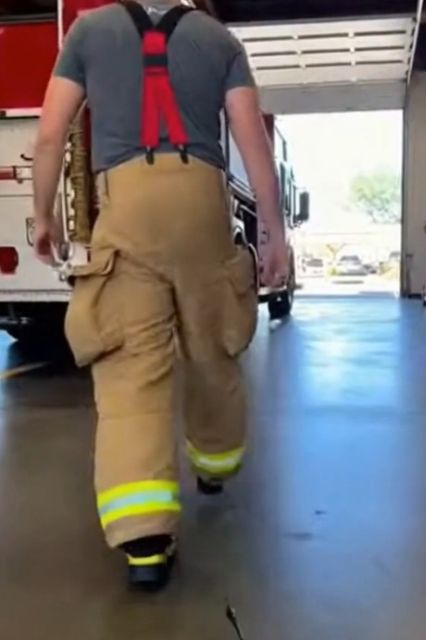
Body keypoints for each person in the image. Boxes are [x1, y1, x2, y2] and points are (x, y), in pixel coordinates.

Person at [33, 0, 288, 591]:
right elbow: (254, 146)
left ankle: (144, 542)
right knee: (211, 344)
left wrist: (45, 216)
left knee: (130, 371)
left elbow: (49, 136)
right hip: (202, 206)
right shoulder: (219, 40)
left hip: (127, 208)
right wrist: (275, 236)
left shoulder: (88, 32)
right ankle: (215, 463)